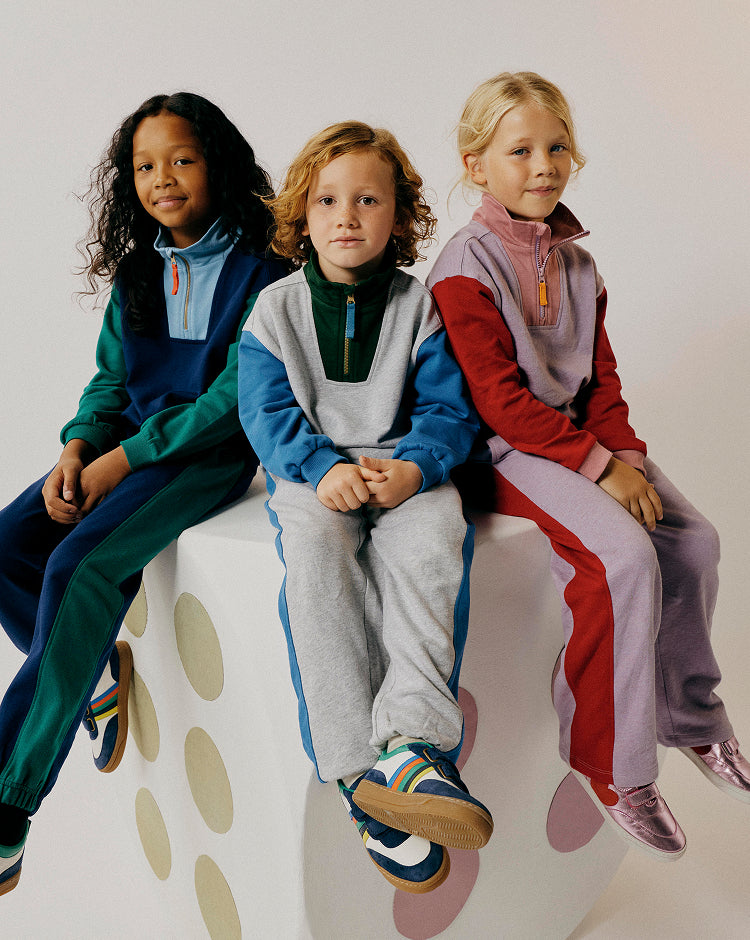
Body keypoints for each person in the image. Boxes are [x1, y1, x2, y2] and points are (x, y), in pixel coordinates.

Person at [427, 70, 750, 861]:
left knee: (695, 542)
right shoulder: (464, 266)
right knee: (621, 559)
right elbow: (499, 402)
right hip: (498, 452)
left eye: (558, 146)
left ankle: (692, 719)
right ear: (476, 164)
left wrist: (628, 458)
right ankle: (612, 764)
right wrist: (601, 471)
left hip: (577, 445)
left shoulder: (578, 267)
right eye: (521, 150)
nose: (544, 164)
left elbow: (601, 383)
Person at [0, 92, 288, 896]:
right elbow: (110, 381)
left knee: (80, 567)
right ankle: (93, 681)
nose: (162, 179)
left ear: (218, 165)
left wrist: (122, 461)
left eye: (182, 160)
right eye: (144, 165)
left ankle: (7, 803)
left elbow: (231, 400)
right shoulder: (137, 272)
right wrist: (78, 445)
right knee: (7, 545)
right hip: (120, 450)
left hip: (203, 460)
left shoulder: (267, 274)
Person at [238, 121, 491, 893]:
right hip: (313, 479)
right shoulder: (273, 311)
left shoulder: (420, 307)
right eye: (327, 200)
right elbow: (265, 413)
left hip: (403, 473)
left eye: (368, 200)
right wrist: (319, 469)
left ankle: (411, 747)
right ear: (302, 217)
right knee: (320, 569)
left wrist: (416, 469)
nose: (347, 216)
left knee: (431, 543)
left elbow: (449, 411)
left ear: (398, 218)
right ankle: (359, 777)